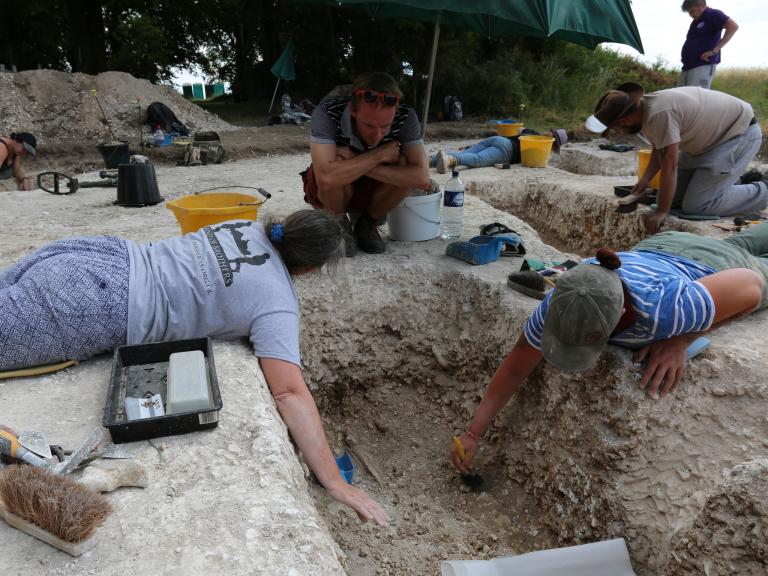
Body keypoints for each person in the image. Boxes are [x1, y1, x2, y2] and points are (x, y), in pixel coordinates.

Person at [0, 210, 389, 526]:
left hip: (96, 254)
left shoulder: (248, 226)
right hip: (99, 301)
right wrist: (335, 483)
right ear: (309, 270)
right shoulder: (277, 302)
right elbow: (288, 392)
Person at [451, 224, 768, 474]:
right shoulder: (564, 298)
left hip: (713, 265)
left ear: (619, 317)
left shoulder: (664, 309)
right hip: (664, 246)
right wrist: (474, 433)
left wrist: (679, 340)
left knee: (754, 265)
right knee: (738, 243)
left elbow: (749, 286)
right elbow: (520, 358)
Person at [585, 82, 767, 234]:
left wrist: (661, 211)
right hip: (705, 143)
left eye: (617, 126)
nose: (618, 130)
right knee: (674, 201)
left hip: (736, 136)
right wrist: (645, 180)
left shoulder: (660, 113)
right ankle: (730, 182)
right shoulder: (646, 109)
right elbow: (659, 148)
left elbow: (669, 165)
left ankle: (763, 190)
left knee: (697, 206)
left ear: (623, 120)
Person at [302, 71, 430, 255]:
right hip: (334, 192)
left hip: (370, 187)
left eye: (385, 127)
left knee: (404, 165)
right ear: (353, 110)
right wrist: (379, 155)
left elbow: (422, 178)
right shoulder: (327, 112)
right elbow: (325, 177)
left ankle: (367, 223)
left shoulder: (406, 116)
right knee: (332, 165)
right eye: (369, 126)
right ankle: (339, 223)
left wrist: (356, 162)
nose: (377, 135)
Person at [431, 129, 568, 173]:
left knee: (467, 153)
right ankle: (451, 161)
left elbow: (520, 131)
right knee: (478, 159)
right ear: (554, 145)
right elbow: (533, 162)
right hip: (506, 151)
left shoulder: (532, 132)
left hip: (498, 139)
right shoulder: (541, 146)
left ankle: (431, 160)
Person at [679, 1, 738, 89]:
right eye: (689, 12)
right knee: (682, 98)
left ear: (701, 6)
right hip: (688, 66)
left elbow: (733, 26)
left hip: (702, 65)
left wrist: (715, 50)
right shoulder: (696, 21)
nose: (690, 14)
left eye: (692, 11)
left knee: (697, 99)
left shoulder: (713, 14)